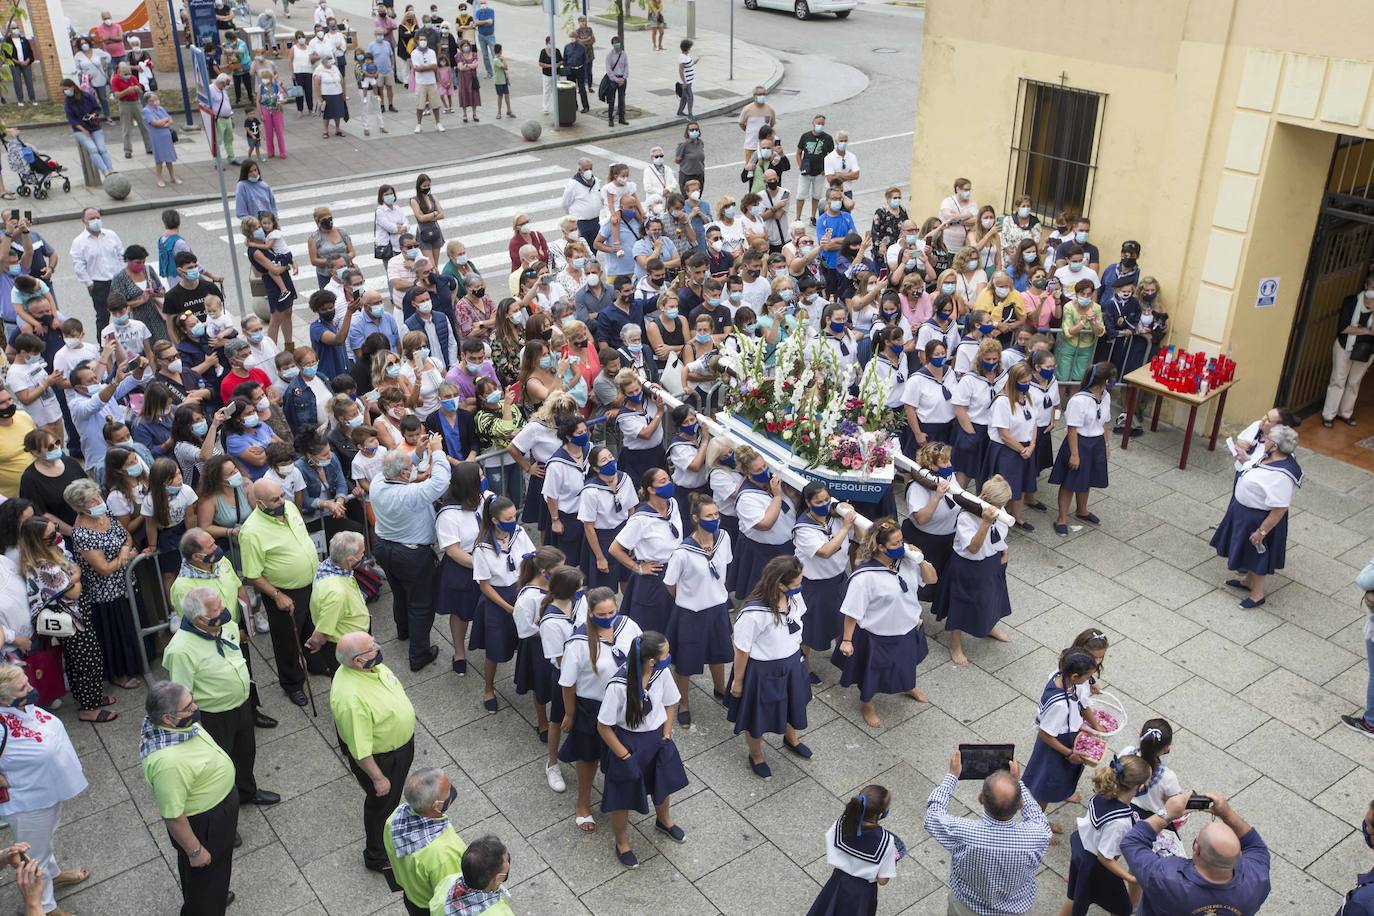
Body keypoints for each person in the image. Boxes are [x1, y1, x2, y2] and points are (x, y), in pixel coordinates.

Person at [164, 586, 282, 819]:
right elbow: (182, 693)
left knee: (246, 752)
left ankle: (247, 792)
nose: (224, 611)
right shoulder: (180, 650)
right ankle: (225, 815)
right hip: (214, 716)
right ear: (199, 618)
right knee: (218, 768)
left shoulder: (224, 625)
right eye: (216, 609)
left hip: (241, 704)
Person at [140, 680, 239, 916]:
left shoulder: (177, 727)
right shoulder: (168, 763)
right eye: (189, 706)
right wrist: (195, 851)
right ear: (167, 718)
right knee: (205, 873)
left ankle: (212, 893)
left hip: (216, 813)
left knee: (212, 874)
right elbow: (173, 816)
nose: (195, 707)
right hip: (205, 824)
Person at [596, 630, 688, 868]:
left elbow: (670, 703)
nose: (669, 657)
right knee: (622, 797)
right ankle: (622, 841)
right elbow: (603, 726)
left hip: (656, 740)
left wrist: (667, 734)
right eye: (665, 654)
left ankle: (664, 820)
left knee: (662, 783)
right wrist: (624, 755)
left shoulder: (662, 674)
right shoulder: (619, 685)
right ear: (650, 660)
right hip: (628, 744)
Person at [833, 518, 934, 729]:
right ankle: (867, 704)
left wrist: (921, 560)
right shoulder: (864, 577)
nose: (901, 546)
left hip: (907, 628)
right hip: (877, 635)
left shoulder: (907, 562)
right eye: (895, 543)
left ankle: (908, 686)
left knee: (907, 663)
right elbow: (852, 612)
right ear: (881, 547)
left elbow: (932, 579)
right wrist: (847, 640)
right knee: (872, 673)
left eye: (902, 541)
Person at [329, 630, 417, 874]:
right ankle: (376, 855)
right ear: (358, 660)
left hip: (398, 748)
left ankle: (390, 830)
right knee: (381, 804)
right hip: (383, 759)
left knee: (392, 799)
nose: (378, 646)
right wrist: (378, 778)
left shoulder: (369, 666)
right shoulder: (351, 699)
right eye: (372, 647)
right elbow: (358, 748)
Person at [924, 749, 1051, 916]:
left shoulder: (963, 833)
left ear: (980, 799)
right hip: (1013, 910)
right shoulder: (1038, 835)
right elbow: (1035, 813)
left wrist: (952, 776)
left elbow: (933, 815)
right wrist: (1018, 783)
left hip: (966, 907)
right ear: (1020, 804)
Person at [239, 478, 328, 707]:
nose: (282, 501)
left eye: (282, 495)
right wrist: (277, 595)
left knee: (313, 624)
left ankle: (316, 663)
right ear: (260, 504)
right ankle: (292, 683)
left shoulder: (288, 507)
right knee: (287, 641)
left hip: (311, 582)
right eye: (275, 499)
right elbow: (252, 574)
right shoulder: (251, 532)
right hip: (285, 592)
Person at [726, 554, 812, 778]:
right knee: (756, 717)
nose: (799, 587)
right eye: (796, 584)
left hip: (792, 663)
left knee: (793, 704)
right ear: (779, 584)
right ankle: (756, 754)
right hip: (762, 672)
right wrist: (738, 680)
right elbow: (743, 650)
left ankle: (791, 737)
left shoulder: (793, 598)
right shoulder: (754, 614)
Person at [1122, 792, 1271, 916]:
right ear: (1239, 855)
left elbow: (1131, 842)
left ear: (1197, 849)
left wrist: (1166, 813)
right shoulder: (1257, 879)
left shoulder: (1165, 877)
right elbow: (1255, 846)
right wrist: (1227, 814)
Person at [371, 440, 450, 671]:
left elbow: (401, 468)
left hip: (385, 548)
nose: (412, 468)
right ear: (404, 473)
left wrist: (416, 454)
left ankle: (403, 631)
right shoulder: (410, 493)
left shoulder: (377, 482)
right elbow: (440, 481)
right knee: (421, 604)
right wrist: (437, 451)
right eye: (409, 466)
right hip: (412, 554)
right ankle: (419, 654)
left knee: (399, 594)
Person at [1209, 423, 1301, 608]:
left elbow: (1280, 509)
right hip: (1244, 512)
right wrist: (1245, 459)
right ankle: (1248, 582)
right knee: (1249, 552)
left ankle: (1257, 594)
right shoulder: (1269, 456)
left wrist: (1262, 532)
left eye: (1268, 439)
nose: (1264, 440)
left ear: (1275, 445)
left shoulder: (1282, 474)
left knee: (1257, 554)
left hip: (1258, 519)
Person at [1059, 755, 1150, 916]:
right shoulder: (1120, 822)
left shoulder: (1103, 794)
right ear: (1140, 787)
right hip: (1096, 867)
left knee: (1076, 896)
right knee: (1123, 909)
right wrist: (1131, 879)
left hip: (1082, 850)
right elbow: (1104, 857)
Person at [383, 767, 468, 916]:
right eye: (448, 791)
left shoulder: (395, 818)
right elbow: (453, 896)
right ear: (437, 806)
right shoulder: (443, 854)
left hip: (411, 897)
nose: (451, 792)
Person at [806, 785, 899, 916]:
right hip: (862, 893)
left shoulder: (841, 823)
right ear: (882, 812)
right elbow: (883, 880)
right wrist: (893, 859)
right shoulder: (886, 841)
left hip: (837, 883)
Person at [1049, 361, 1115, 536]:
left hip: (1096, 442)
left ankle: (1082, 510)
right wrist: (1075, 454)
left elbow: (1105, 422)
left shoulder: (1105, 396)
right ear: (1105, 380)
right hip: (1080, 443)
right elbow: (1072, 428)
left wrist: (1106, 445)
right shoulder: (1079, 400)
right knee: (1070, 482)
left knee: (1087, 478)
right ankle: (1061, 518)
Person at [1323, 270, 1374, 428]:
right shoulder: (1351, 301)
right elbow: (1344, 328)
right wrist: (1366, 330)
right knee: (1338, 380)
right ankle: (1328, 415)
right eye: (1372, 287)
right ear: (1366, 286)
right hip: (1344, 346)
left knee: (1354, 382)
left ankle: (1345, 413)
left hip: (1367, 350)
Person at [429, 836, 513, 914]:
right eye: (506, 859)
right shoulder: (500, 912)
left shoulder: (448, 881)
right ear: (498, 879)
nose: (508, 859)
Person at [62, 80, 114, 180]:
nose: (65, 91)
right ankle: (105, 172)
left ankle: (111, 169)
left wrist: (93, 115)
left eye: (66, 89)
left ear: (72, 87)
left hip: (94, 126)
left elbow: (97, 108)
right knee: (93, 149)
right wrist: (84, 130)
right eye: (63, 90)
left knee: (102, 148)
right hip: (80, 130)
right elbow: (72, 120)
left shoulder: (87, 96)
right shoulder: (68, 102)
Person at [111, 61, 152, 160]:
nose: (127, 75)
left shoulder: (133, 78)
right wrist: (127, 91)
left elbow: (141, 92)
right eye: (125, 73)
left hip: (136, 102)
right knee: (126, 128)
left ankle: (149, 146)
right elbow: (116, 95)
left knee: (144, 125)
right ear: (119, 72)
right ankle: (127, 150)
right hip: (124, 103)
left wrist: (138, 89)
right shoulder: (115, 80)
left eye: (129, 73)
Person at [140, 91, 179, 186]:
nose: (154, 102)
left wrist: (163, 123)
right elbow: (155, 123)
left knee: (169, 157)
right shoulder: (146, 110)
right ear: (147, 102)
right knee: (159, 159)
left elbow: (170, 120)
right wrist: (165, 121)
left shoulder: (160, 108)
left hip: (167, 136)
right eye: (151, 101)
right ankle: (159, 178)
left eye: (156, 100)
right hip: (157, 137)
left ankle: (172, 177)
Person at [411, 32, 445, 133]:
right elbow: (417, 69)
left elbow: (434, 66)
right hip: (420, 82)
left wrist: (424, 67)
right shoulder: (414, 53)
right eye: (421, 40)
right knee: (420, 105)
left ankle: (438, 123)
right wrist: (427, 67)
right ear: (417, 41)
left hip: (431, 81)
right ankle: (418, 124)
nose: (423, 42)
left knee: (435, 104)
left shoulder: (431, 52)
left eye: (424, 40)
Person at [604, 35, 627, 127]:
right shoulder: (609, 55)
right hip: (613, 80)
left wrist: (624, 78)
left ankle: (622, 118)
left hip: (622, 79)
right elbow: (608, 69)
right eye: (614, 43)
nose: (616, 45)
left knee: (621, 100)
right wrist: (616, 79)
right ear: (612, 44)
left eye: (617, 43)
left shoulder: (624, 54)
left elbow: (626, 66)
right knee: (611, 100)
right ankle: (610, 119)